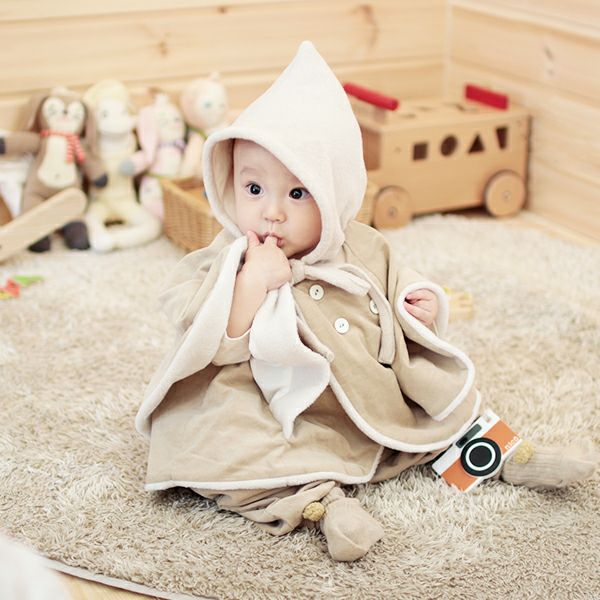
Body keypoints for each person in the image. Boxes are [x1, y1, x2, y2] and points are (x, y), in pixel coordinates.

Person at [135, 41, 598, 562]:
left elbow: (398, 281)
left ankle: (504, 457)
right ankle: (319, 503)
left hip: (365, 385)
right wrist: (250, 284)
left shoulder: (362, 245)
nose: (271, 213)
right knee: (221, 445)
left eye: (296, 194)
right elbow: (209, 341)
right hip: (272, 404)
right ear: (228, 185)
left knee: (437, 402)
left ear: (333, 193)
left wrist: (421, 305)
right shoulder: (226, 261)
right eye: (254, 188)